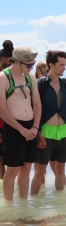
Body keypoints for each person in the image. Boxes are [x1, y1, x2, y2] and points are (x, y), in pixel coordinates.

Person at [31, 50, 66, 195]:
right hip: (45, 132)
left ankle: (60, 204)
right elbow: (33, 110)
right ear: (51, 65)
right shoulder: (40, 85)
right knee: (40, 171)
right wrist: (37, 133)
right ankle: (32, 205)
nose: (64, 68)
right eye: (61, 65)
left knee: (61, 168)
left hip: (63, 132)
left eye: (65, 64)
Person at [0, 46, 41, 200]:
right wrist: (21, 130)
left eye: (33, 64)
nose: (32, 67)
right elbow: (2, 109)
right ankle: (9, 207)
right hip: (13, 127)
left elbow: (37, 104)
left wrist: (35, 127)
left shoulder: (30, 77)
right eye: (29, 65)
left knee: (27, 168)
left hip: (32, 126)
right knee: (13, 170)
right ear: (17, 62)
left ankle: (24, 206)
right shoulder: (3, 78)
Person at [0, 40, 14, 179]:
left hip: (14, 126)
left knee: (14, 162)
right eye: (4, 65)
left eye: (10, 65)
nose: (7, 69)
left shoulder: (19, 78)